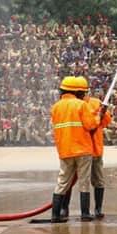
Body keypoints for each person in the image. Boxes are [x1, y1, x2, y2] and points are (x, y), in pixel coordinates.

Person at [49, 76, 101, 223]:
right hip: (82, 150)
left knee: (62, 182)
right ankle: (85, 213)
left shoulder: (55, 107)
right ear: (77, 92)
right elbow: (91, 125)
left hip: (65, 150)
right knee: (84, 181)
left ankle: (55, 214)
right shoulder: (81, 105)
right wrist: (98, 117)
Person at [85, 93, 112, 219]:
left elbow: (106, 122)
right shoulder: (75, 105)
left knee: (98, 181)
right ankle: (65, 208)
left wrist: (103, 113)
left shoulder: (96, 103)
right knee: (72, 182)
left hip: (95, 149)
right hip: (79, 150)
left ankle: (98, 208)